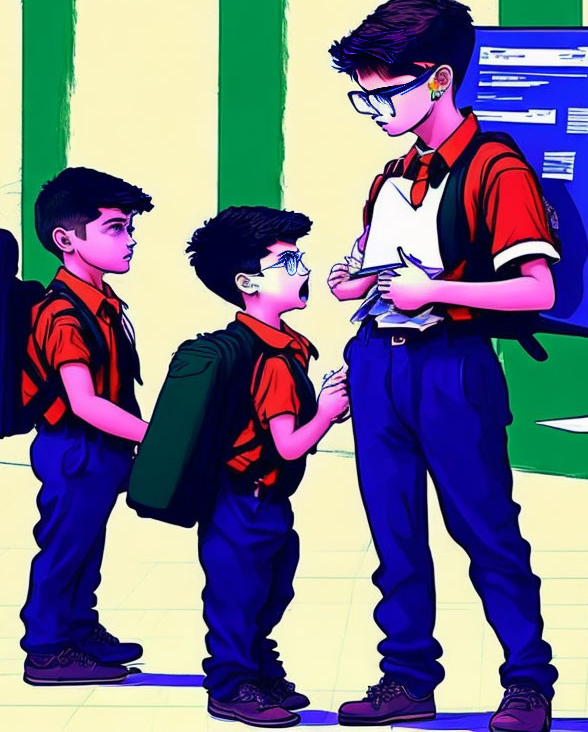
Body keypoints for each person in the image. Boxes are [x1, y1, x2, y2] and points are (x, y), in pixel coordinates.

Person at [326, 0, 559, 732]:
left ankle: (527, 683)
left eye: (386, 94)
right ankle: (406, 679)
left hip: (453, 365)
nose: (376, 111)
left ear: (438, 78)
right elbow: (366, 263)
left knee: (486, 529)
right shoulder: (392, 173)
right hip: (376, 364)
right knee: (393, 532)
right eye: (363, 99)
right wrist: (349, 279)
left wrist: (437, 288)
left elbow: (536, 289)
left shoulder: (498, 169)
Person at [186, 206, 350, 728]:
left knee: (271, 586)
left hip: (265, 501)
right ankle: (233, 684)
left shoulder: (287, 348)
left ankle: (255, 665)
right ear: (247, 282)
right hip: (245, 500)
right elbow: (287, 445)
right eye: (290, 261)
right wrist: (326, 412)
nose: (304, 271)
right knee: (239, 594)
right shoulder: (273, 360)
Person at [20, 167, 153, 685]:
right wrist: (157, 437)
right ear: (66, 240)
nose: (130, 240)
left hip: (103, 448)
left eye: (129, 228)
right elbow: (84, 402)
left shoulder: (103, 304)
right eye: (116, 228)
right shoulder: (63, 314)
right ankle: (48, 649)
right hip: (76, 448)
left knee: (86, 544)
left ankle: (78, 626)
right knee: (64, 547)